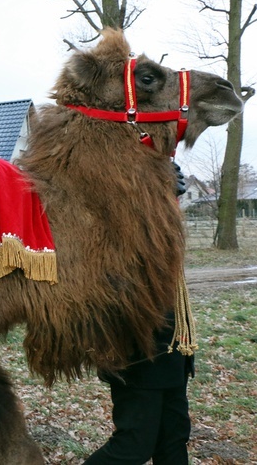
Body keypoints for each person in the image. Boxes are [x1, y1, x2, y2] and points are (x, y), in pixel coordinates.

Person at [84, 162, 195, 464]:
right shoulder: (109, 225)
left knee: (173, 439)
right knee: (134, 445)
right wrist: (154, 192)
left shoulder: (158, 224)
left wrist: (163, 196)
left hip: (173, 346)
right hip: (136, 347)